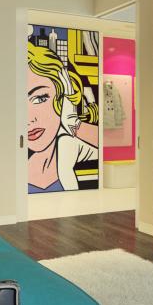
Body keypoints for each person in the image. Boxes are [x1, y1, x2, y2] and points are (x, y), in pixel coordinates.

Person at [27, 42, 98, 193]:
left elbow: (102, 145)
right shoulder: (19, 168)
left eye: (40, 98)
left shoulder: (68, 144)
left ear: (61, 98)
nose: (29, 119)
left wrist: (73, 120)